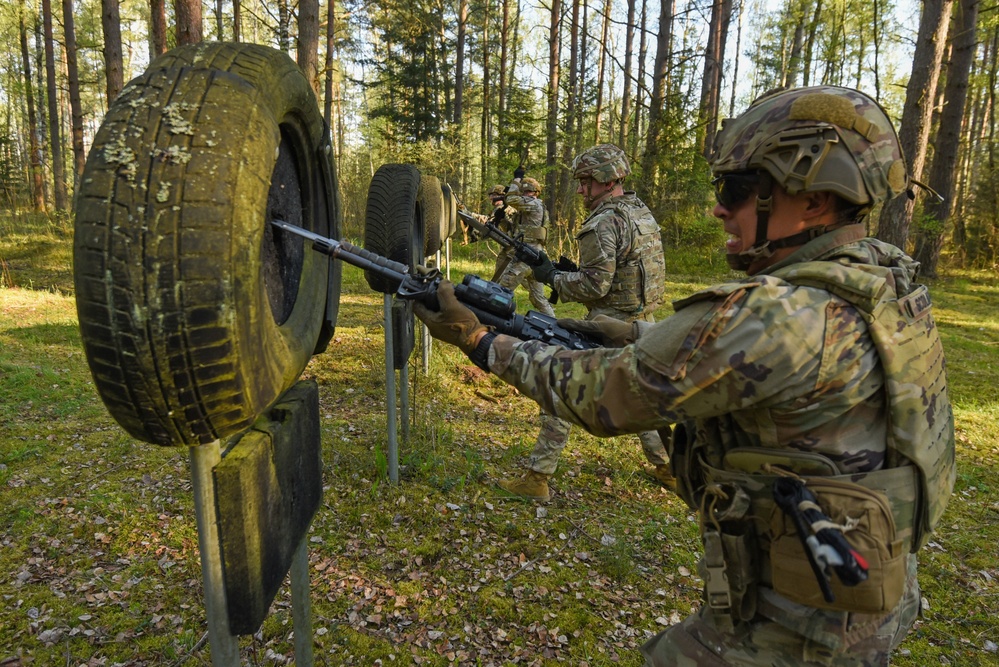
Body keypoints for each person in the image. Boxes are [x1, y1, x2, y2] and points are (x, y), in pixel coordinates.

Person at [414, 86, 955, 665]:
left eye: (739, 190)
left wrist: (479, 340)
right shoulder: (882, 284)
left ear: (817, 200)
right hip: (868, 586)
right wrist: (639, 334)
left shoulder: (777, 314)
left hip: (800, 625)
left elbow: (605, 397)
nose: (720, 207)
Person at [496, 145, 675, 500]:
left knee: (560, 387)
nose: (580, 190)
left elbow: (596, 285)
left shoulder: (603, 222)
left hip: (608, 323)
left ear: (607, 179)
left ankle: (537, 478)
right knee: (645, 396)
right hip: (643, 320)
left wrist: (554, 278)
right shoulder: (639, 211)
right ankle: (668, 467)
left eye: (586, 182)